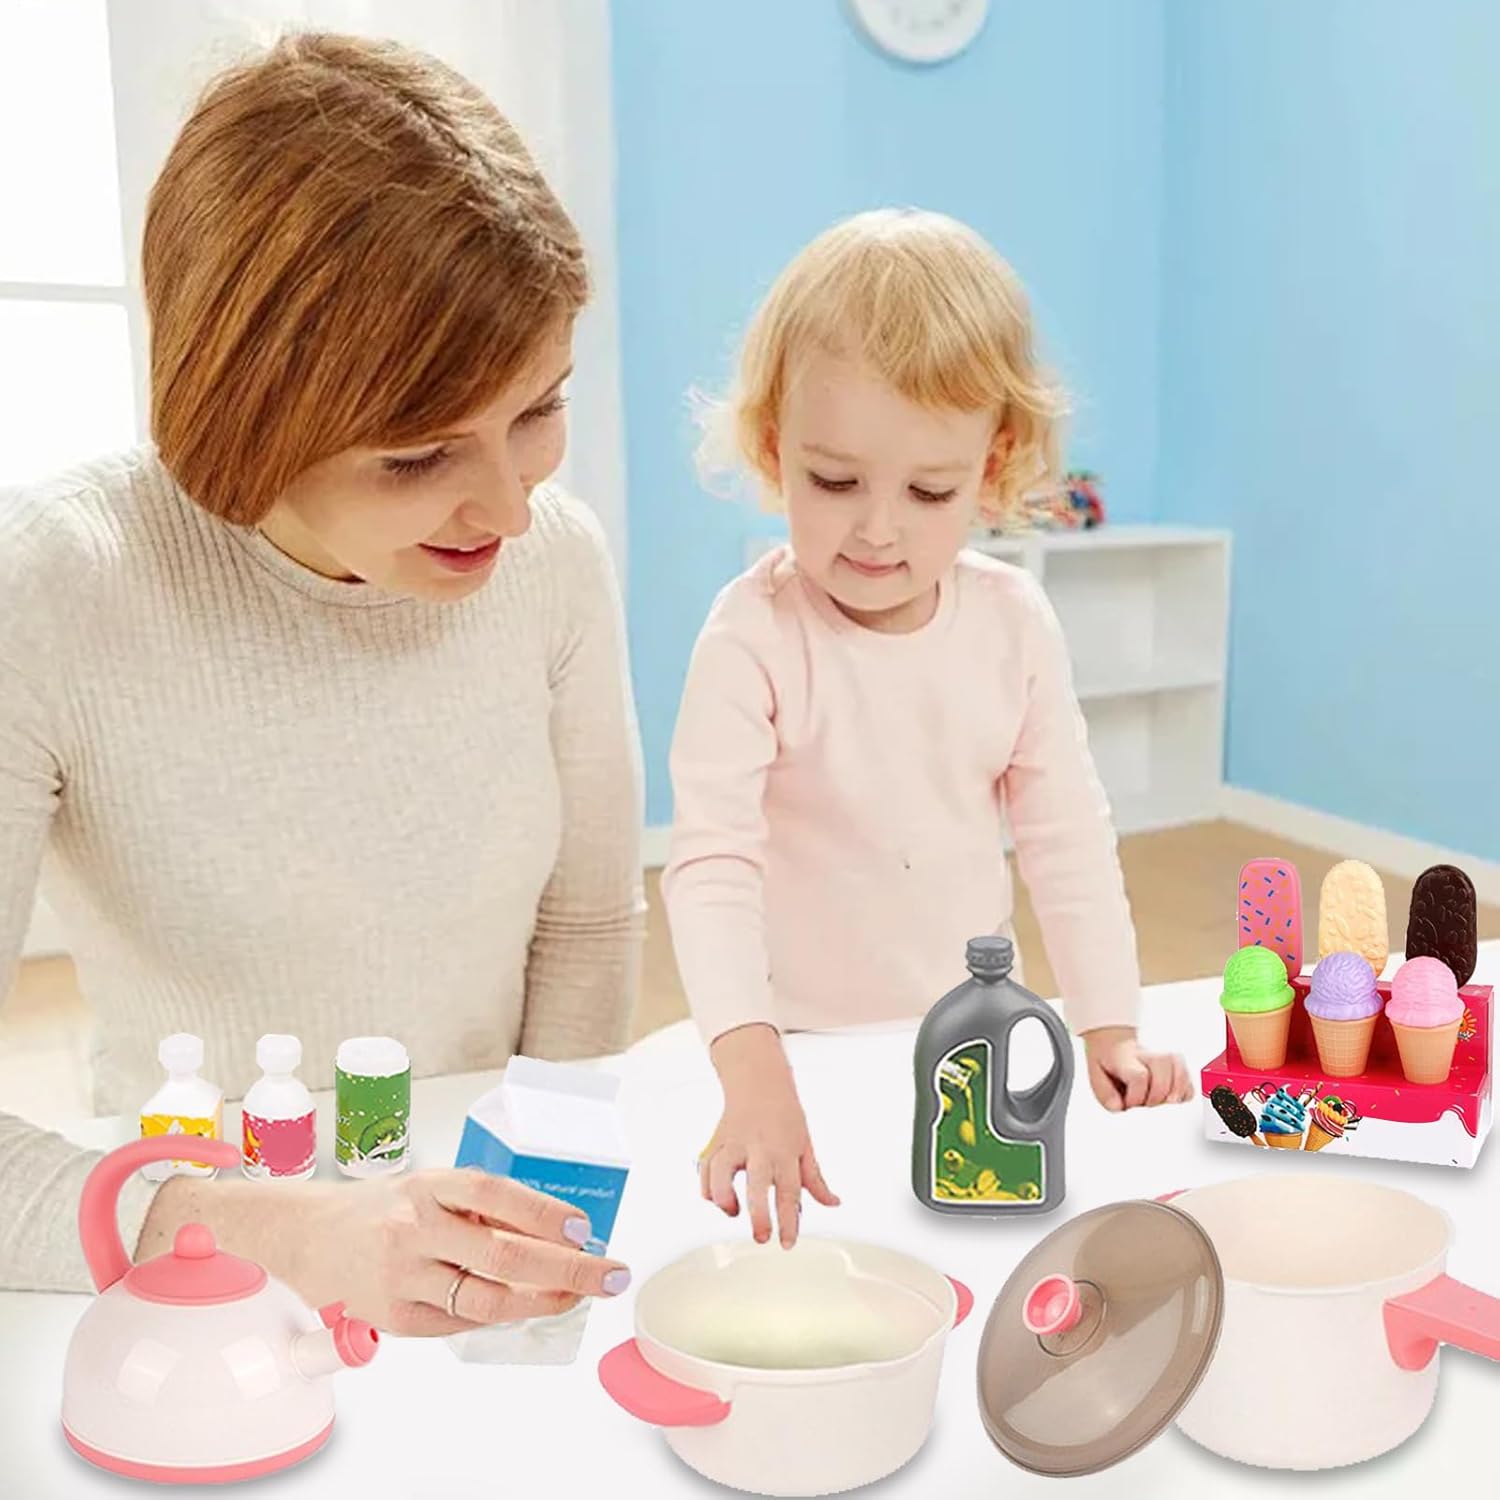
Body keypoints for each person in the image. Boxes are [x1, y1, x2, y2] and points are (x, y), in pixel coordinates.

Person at [0, 33, 643, 1333]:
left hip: (475, 1260)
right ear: (245, 415)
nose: (511, 508)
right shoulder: (55, 587)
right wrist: (271, 1231)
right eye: (416, 457)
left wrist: (538, 1231)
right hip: (194, 1272)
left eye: (537, 410)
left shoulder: (557, 562)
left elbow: (586, 926)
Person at [663, 208, 1194, 1250]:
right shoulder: (751, 634)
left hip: (969, 1041)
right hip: (788, 1043)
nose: (877, 528)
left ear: (991, 468)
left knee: (969, 1249)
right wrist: (751, 1067)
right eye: (834, 481)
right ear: (773, 448)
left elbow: (1066, 838)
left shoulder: (1012, 623)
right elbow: (712, 864)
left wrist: (1109, 1022)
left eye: (928, 490)